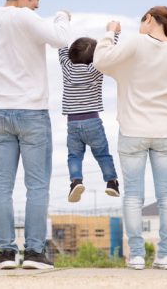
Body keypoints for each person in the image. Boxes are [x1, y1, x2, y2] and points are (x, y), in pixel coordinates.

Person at [94, 6, 167, 271]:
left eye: (142, 21)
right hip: (165, 133)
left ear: (150, 19)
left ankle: (137, 256)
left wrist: (109, 32)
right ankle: (165, 255)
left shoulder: (136, 43)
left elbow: (101, 60)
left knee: (133, 196)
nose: (140, 26)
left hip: (132, 131)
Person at [0, 0, 70, 270]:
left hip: (0, 111)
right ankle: (33, 253)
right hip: (32, 112)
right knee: (37, 185)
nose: (37, 6)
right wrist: (62, 17)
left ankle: (5, 253)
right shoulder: (26, 17)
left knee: (0, 186)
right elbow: (60, 39)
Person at [58, 28, 121, 203]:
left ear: (71, 55)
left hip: (72, 123)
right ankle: (111, 182)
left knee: (74, 155)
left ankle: (76, 181)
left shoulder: (67, 68)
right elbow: (107, 53)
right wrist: (113, 33)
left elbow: (61, 46)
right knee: (102, 154)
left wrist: (63, 21)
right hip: (93, 121)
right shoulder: (96, 68)